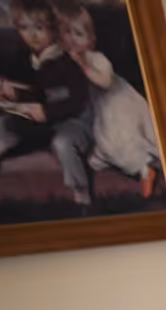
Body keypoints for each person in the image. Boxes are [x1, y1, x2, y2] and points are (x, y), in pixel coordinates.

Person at [0, 0, 95, 207]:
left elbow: (78, 101)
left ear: (53, 30)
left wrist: (47, 111)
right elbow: (31, 87)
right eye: (25, 29)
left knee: (62, 143)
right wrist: (9, 89)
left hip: (73, 121)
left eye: (39, 28)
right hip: (43, 120)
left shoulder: (66, 63)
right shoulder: (28, 58)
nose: (33, 36)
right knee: (5, 122)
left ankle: (82, 195)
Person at [54, 0, 160, 199]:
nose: (74, 40)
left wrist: (83, 65)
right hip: (101, 111)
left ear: (91, 40)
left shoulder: (95, 58)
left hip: (117, 107)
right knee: (100, 152)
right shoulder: (67, 59)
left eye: (79, 34)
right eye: (68, 33)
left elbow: (105, 81)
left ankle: (145, 171)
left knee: (119, 142)